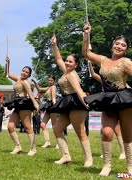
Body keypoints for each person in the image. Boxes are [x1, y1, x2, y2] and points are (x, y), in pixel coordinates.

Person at [83, 23, 132, 175]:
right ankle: (107, 165)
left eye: (123, 45)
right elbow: (86, 53)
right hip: (108, 99)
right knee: (106, 132)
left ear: (126, 49)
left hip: (124, 99)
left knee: (127, 134)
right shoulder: (103, 60)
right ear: (112, 45)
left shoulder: (126, 62)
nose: (119, 46)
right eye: (117, 43)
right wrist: (87, 34)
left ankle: (130, 167)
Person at [50, 34, 92, 167]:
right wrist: (55, 45)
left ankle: (89, 160)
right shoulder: (66, 71)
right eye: (67, 61)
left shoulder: (72, 75)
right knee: (57, 129)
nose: (67, 63)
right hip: (66, 101)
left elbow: (78, 90)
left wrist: (86, 102)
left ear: (76, 65)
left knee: (80, 131)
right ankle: (66, 156)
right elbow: (58, 58)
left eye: (70, 61)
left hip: (76, 102)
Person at [88, 61, 126, 160]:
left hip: (117, 105)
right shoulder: (103, 80)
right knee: (103, 130)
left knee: (118, 130)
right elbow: (92, 74)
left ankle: (123, 152)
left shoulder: (119, 81)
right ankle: (106, 152)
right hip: (107, 105)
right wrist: (89, 64)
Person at [4, 56, 39, 156]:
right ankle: (17, 147)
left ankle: (33, 149)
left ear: (29, 75)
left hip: (24, 105)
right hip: (17, 104)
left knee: (28, 127)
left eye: (26, 72)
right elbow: (7, 74)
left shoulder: (25, 82)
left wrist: (35, 104)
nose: (24, 73)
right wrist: (8, 63)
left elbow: (30, 94)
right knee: (10, 126)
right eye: (23, 71)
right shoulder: (18, 79)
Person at [32, 76, 57, 148]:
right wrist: (34, 82)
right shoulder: (48, 87)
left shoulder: (53, 87)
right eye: (48, 80)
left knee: (55, 126)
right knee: (42, 124)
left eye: (51, 80)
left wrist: (55, 107)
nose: (49, 81)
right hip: (48, 106)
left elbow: (53, 98)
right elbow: (39, 89)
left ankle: (59, 143)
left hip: (52, 106)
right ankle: (47, 142)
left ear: (54, 81)